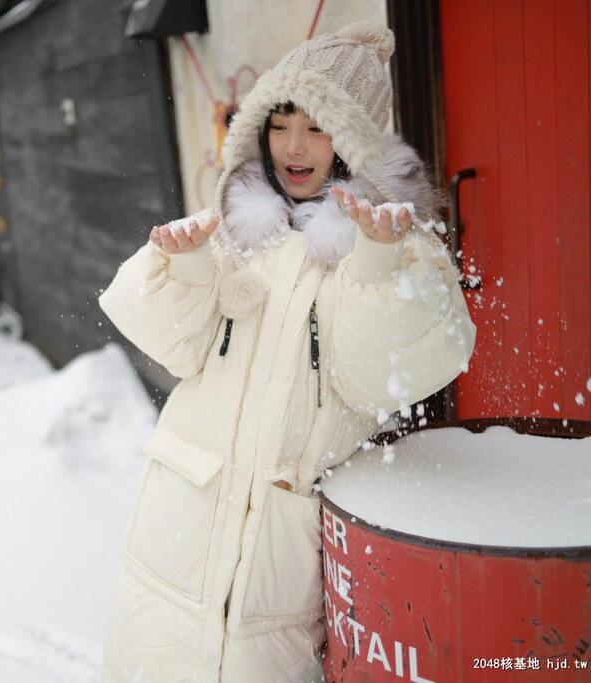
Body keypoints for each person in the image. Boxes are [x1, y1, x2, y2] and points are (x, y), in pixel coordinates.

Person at [98, 21, 477, 683]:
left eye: (319, 125)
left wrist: (379, 264)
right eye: (281, 121)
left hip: (274, 579)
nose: (293, 147)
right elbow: (166, 339)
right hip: (174, 545)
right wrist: (184, 273)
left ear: (354, 139)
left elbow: (376, 375)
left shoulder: (399, 245)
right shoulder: (234, 228)